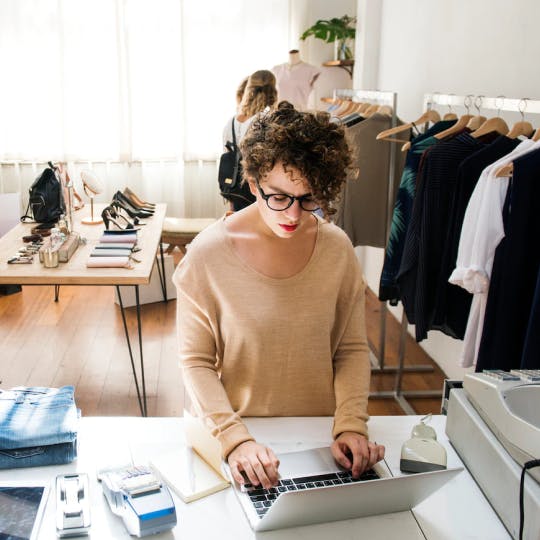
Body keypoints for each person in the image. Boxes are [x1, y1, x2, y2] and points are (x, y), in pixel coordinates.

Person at [176, 101, 385, 490]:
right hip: (240, 436)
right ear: (253, 183)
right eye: (279, 197)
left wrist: (351, 425)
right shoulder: (206, 256)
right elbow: (195, 362)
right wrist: (234, 439)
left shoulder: (336, 249)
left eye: (308, 199)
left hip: (323, 438)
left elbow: (351, 349)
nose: (293, 214)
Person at [221, 70, 278, 212]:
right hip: (257, 190)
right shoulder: (265, 119)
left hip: (235, 189)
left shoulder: (232, 121)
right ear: (273, 91)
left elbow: (228, 155)